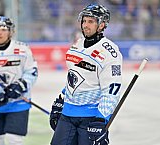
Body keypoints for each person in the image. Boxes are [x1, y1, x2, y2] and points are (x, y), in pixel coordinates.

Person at [50, 3, 123, 145]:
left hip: (91, 117)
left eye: (90, 21)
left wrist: (102, 119)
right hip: (68, 113)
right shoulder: (77, 44)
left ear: (102, 25)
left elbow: (112, 89)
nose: (85, 25)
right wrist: (61, 99)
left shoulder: (110, 52)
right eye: (84, 21)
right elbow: (74, 78)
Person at [0, 16, 38, 145]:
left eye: (4, 29)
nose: (0, 32)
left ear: (11, 32)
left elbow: (32, 72)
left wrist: (21, 85)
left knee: (14, 140)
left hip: (19, 102)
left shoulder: (23, 49)